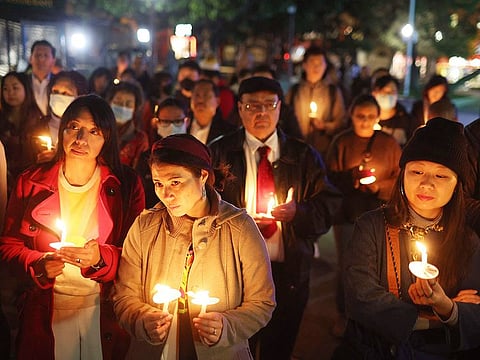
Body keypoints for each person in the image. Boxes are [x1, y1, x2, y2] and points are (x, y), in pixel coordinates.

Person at [0, 94, 145, 359]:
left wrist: (101, 258)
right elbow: (8, 246)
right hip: (45, 311)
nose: (81, 139)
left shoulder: (125, 185)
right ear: (62, 129)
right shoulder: (31, 181)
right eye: (74, 127)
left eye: (93, 131)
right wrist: (38, 263)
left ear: (107, 137)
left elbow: (136, 252)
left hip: (101, 311)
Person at [209, 76, 342, 360]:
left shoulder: (303, 155)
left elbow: (329, 204)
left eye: (269, 105)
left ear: (280, 108)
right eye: (252, 105)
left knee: (278, 347)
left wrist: (299, 213)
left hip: (287, 269)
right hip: (234, 270)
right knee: (235, 348)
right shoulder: (219, 152)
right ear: (240, 109)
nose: (261, 113)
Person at [113, 133, 275, 359]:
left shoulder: (239, 227)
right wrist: (141, 320)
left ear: (202, 176)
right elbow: (123, 296)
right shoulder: (144, 226)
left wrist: (227, 326)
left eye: (176, 182)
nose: (166, 194)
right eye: (158, 183)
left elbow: (262, 301)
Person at [335, 117, 480, 359]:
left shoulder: (467, 240)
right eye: (417, 171)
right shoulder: (371, 226)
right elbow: (361, 297)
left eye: (441, 176)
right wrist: (441, 317)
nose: (426, 183)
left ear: (458, 186)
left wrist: (444, 304)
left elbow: (475, 313)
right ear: (403, 174)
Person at [326, 94, 402, 337]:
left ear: (378, 117)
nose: (365, 121)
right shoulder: (342, 142)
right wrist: (353, 179)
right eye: (360, 116)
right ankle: (343, 314)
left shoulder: (389, 144)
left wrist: (378, 187)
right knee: (347, 265)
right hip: (348, 214)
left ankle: (371, 316)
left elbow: (399, 178)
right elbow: (328, 179)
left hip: (380, 214)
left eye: (370, 117)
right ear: (351, 115)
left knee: (377, 266)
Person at [286, 46, 347, 157]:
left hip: (323, 151)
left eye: (320, 63)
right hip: (296, 150)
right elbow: (284, 118)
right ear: (304, 65)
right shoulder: (294, 91)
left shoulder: (332, 91)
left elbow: (341, 121)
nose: (317, 67)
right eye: (313, 63)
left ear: (325, 66)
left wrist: (325, 126)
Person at [136, 97, 189, 208]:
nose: (171, 126)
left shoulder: (195, 156)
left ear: (187, 121)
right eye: (166, 122)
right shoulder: (147, 158)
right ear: (156, 123)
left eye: (177, 121)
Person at [0, 71, 43, 186]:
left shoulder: (38, 120)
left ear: (26, 89)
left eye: (15, 88)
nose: (10, 93)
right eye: (5, 89)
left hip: (31, 179)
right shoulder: (2, 120)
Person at [106, 81, 149, 169]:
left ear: (135, 108)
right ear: (110, 102)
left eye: (128, 104)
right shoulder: (97, 130)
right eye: (118, 102)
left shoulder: (139, 139)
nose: (123, 107)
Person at [371, 74, 420, 147]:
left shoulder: (407, 121)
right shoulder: (367, 119)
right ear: (374, 93)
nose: (388, 95)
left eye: (392, 91)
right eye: (384, 91)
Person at [188, 79, 236, 145]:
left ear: (217, 101)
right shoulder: (181, 125)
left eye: (206, 95)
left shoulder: (229, 133)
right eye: (197, 95)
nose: (200, 100)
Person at [28, 40, 56, 116]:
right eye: (37, 55)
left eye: (46, 55)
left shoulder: (59, 83)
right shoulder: (23, 82)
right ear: (30, 58)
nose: (41, 59)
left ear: (53, 61)